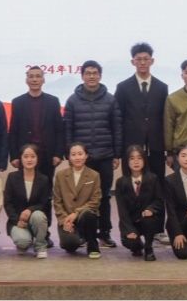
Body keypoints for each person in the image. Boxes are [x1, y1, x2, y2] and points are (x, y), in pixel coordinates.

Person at [63, 60, 122, 248]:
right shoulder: (72, 100)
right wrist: (69, 154)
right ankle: (83, 233)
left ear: (100, 75)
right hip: (82, 159)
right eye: (88, 73)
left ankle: (104, 232)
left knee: (104, 196)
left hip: (105, 155)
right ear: (82, 76)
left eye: (95, 73)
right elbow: (68, 129)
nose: (91, 76)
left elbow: (117, 128)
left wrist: (117, 154)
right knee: (81, 197)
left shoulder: (110, 100)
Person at [114, 42, 170, 179]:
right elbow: (118, 119)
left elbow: (165, 118)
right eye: (139, 59)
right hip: (131, 146)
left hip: (156, 147)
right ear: (133, 62)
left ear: (152, 61)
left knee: (157, 182)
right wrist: (118, 150)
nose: (143, 62)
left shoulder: (162, 87)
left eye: (146, 59)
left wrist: (168, 150)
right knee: (131, 183)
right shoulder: (123, 87)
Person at [9, 67, 64, 182]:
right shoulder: (18, 102)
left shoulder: (53, 101)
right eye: (31, 76)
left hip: (47, 155)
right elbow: (13, 131)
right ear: (26, 80)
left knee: (46, 187)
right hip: (25, 155)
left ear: (43, 80)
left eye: (38, 76)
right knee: (25, 187)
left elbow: (59, 130)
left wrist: (58, 154)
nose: (34, 79)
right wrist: (14, 156)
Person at [114, 145, 164, 261]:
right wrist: (129, 230)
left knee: (149, 219)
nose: (136, 161)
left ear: (144, 160)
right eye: (132, 158)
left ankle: (148, 247)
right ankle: (138, 246)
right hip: (131, 221)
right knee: (130, 242)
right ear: (127, 162)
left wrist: (151, 209)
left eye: (139, 158)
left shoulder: (153, 178)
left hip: (147, 219)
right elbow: (122, 210)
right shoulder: (121, 182)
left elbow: (159, 200)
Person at [53, 143, 102, 259]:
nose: (77, 157)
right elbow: (57, 201)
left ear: (86, 155)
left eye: (80, 154)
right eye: (73, 154)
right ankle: (79, 237)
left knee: (89, 214)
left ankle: (92, 246)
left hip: (84, 216)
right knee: (69, 245)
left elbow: (95, 200)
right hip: (67, 218)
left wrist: (76, 213)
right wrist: (64, 220)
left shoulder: (94, 175)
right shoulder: (60, 175)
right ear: (69, 157)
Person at [4, 144, 52, 258]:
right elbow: (8, 203)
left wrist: (30, 210)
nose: (29, 159)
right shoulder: (12, 177)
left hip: (36, 219)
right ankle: (24, 241)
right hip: (17, 220)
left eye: (32, 156)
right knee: (23, 242)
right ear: (21, 158)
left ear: (37, 158)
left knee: (38, 215)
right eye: (26, 156)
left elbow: (44, 204)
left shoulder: (44, 179)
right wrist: (17, 220)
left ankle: (40, 246)